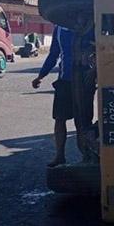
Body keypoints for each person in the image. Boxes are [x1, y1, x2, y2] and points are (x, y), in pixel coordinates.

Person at [32, 25, 77, 167]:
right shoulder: (59, 29)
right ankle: (60, 156)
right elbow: (53, 55)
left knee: (83, 123)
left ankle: (87, 156)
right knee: (59, 119)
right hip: (65, 81)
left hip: (85, 81)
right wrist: (41, 76)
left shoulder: (90, 24)